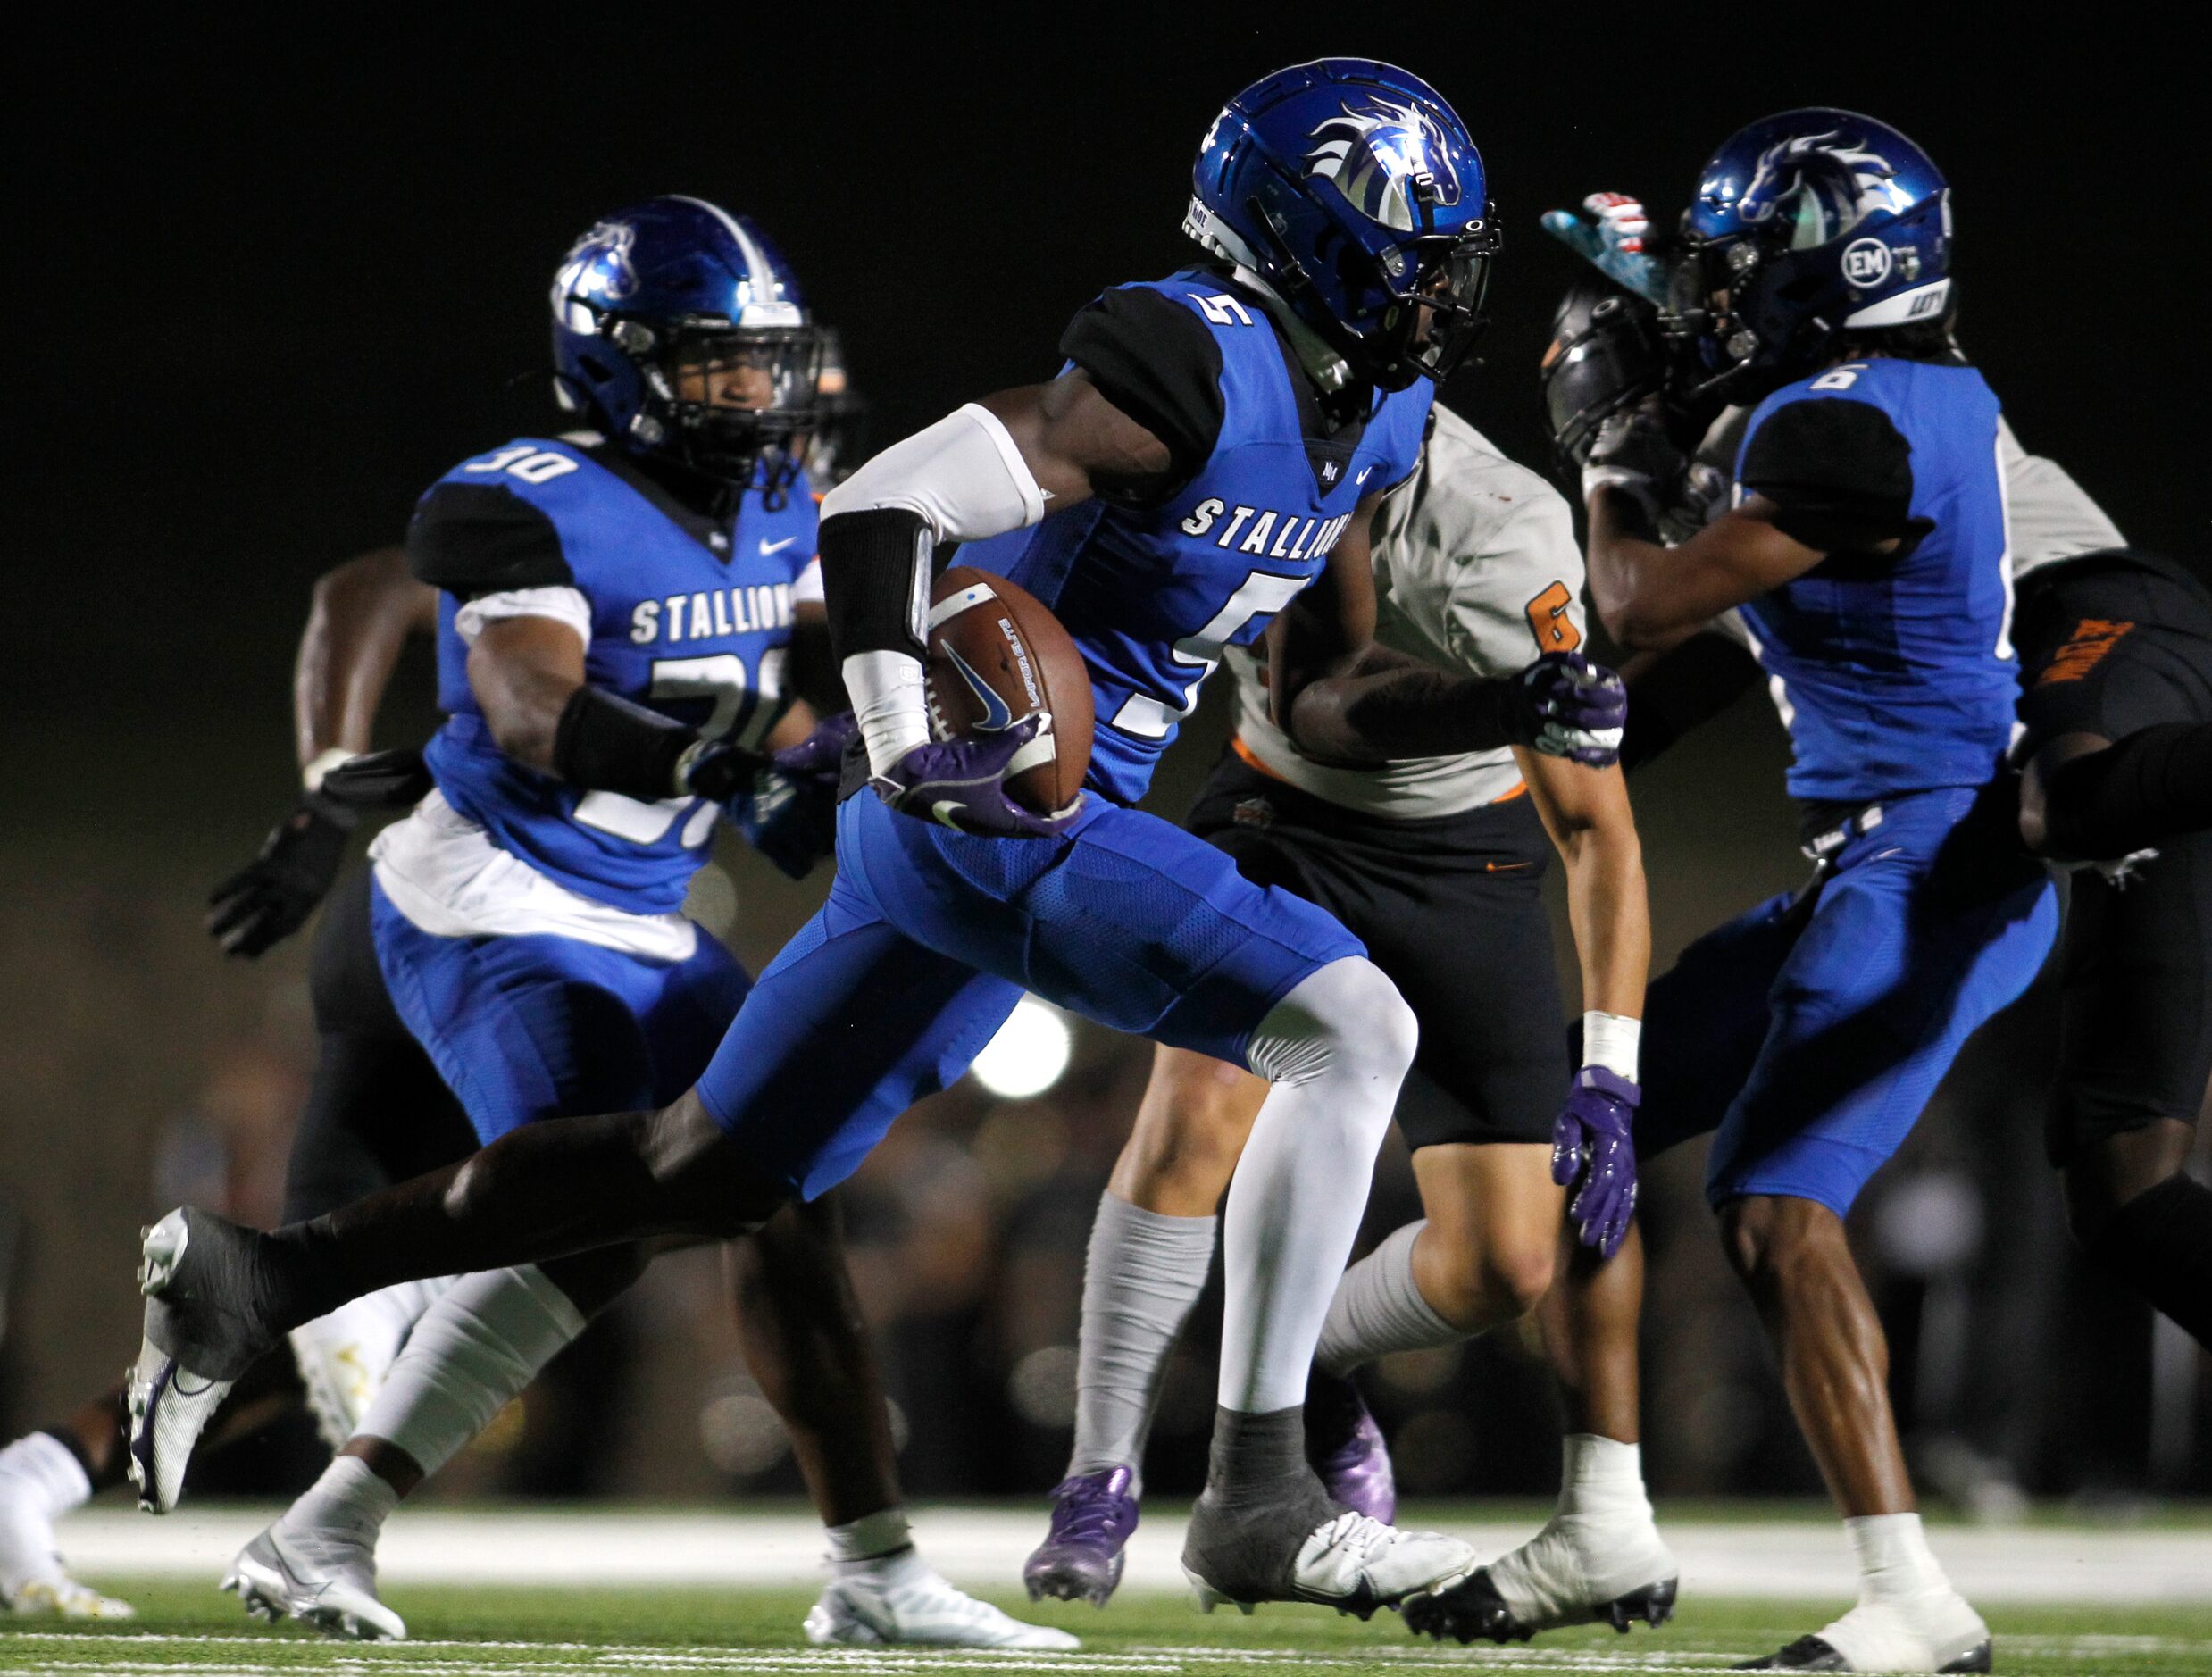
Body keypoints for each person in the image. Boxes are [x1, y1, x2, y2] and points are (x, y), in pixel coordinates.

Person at [129, 60, 1627, 1617]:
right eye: (1413, 250)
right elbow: (881, 508)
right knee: (1350, 1021)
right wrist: (911, 742)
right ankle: (1259, 1489)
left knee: (692, 1169)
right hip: (992, 806)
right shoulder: (1189, 353)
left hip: (1024, 820)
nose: (1441, 289)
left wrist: (1501, 704)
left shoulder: (1375, 415)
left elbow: (1319, 693)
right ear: (1307, 235)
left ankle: (273, 1306)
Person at [125, 196, 1066, 1650]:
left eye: (767, 364)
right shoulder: (523, 493)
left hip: (643, 910)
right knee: (620, 1185)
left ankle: (874, 1563)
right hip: (496, 892)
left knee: (771, 1178)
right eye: (717, 367)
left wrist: (870, 755)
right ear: (619, 364)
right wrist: (713, 761)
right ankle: (317, 1496)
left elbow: (819, 671)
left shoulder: (779, 501)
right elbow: (529, 703)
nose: (756, 395)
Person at [1463, 112, 2058, 1673]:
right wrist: (1675, 372)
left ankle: (1912, 1598)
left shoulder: (1854, 428)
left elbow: (1637, 602)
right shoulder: (1884, 400)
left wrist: (1603, 452)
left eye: (1751, 269)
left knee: (1775, 1207)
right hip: (1879, 854)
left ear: (1833, 270)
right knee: (1587, 1123)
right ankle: (1601, 1509)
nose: (1728, 297)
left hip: (1934, 859)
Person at [1023, 396, 1676, 1644]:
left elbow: (1596, 826)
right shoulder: (1235, 461)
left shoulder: (1501, 528)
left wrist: (1608, 1069)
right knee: (1195, 1108)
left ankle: (1302, 1357)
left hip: (1460, 851)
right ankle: (1099, 1470)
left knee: (1506, 1262)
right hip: (1284, 811)